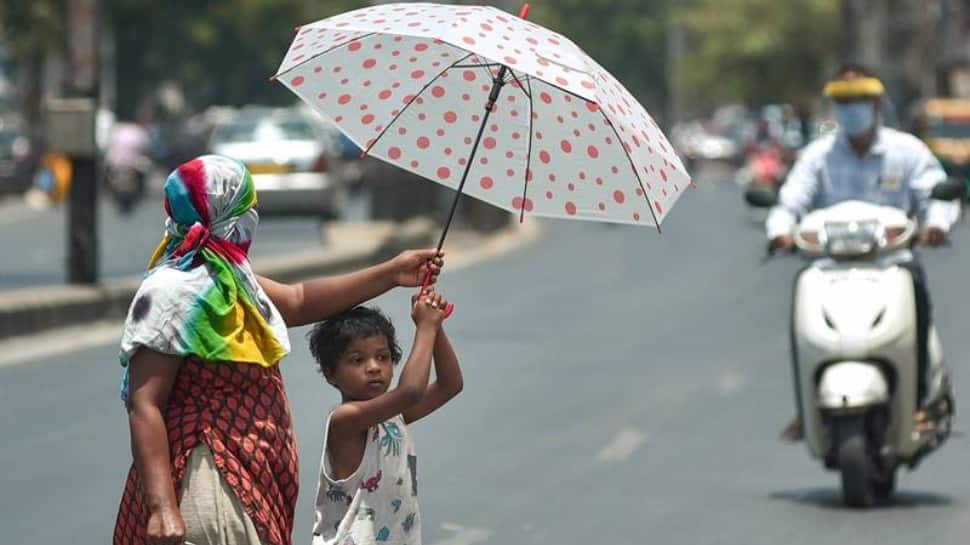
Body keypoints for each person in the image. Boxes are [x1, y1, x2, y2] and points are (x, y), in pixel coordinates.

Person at [113, 154, 444, 545]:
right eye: (246, 208)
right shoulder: (171, 291)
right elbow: (144, 403)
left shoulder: (233, 277)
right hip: (206, 477)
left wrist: (392, 274)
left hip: (250, 477)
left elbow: (300, 300)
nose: (252, 217)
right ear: (224, 211)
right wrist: (162, 508)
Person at [767, 64, 959, 441]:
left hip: (892, 263)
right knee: (799, 320)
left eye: (860, 101)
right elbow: (789, 202)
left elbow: (936, 193)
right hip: (828, 267)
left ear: (876, 104)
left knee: (917, 308)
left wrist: (936, 225)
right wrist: (779, 233)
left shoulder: (907, 152)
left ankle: (918, 403)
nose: (852, 109)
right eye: (844, 101)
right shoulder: (818, 156)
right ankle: (806, 409)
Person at [307, 295, 462, 545]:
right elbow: (410, 391)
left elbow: (450, 385)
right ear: (329, 373)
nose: (374, 367)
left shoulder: (393, 416)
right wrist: (426, 326)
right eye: (358, 360)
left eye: (383, 357)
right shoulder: (345, 420)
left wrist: (436, 326)